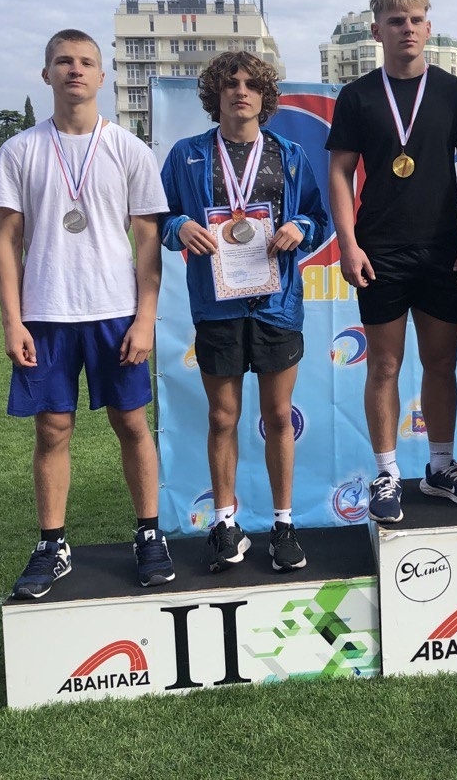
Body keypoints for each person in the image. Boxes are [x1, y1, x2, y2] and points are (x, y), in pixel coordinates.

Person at [0, 28, 175, 599]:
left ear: (102, 76)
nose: (75, 70)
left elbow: (148, 242)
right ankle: (52, 544)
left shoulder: (129, 149)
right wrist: (13, 321)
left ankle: (149, 535)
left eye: (86, 62)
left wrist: (145, 318)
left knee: (131, 423)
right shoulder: (19, 150)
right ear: (46, 73)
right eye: (64, 61)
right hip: (46, 313)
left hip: (114, 310)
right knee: (52, 429)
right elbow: (7, 240)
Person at [160, 51, 329, 572]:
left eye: (251, 84)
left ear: (264, 95)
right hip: (217, 306)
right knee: (222, 416)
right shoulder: (187, 155)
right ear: (215, 94)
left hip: (276, 304)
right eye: (230, 83)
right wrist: (179, 226)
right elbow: (159, 216)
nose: (241, 91)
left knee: (278, 416)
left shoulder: (290, 154)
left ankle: (283, 525)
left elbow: (319, 217)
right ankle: (225, 524)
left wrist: (300, 226)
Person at [326, 0, 457, 524]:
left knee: (441, 363)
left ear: (428, 27)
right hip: (380, 248)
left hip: (443, 247)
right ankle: (388, 472)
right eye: (396, 21)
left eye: (416, 20)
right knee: (385, 365)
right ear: (378, 31)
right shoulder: (358, 96)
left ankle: (440, 467)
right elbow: (340, 172)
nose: (408, 29)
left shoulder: (456, 92)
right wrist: (348, 244)